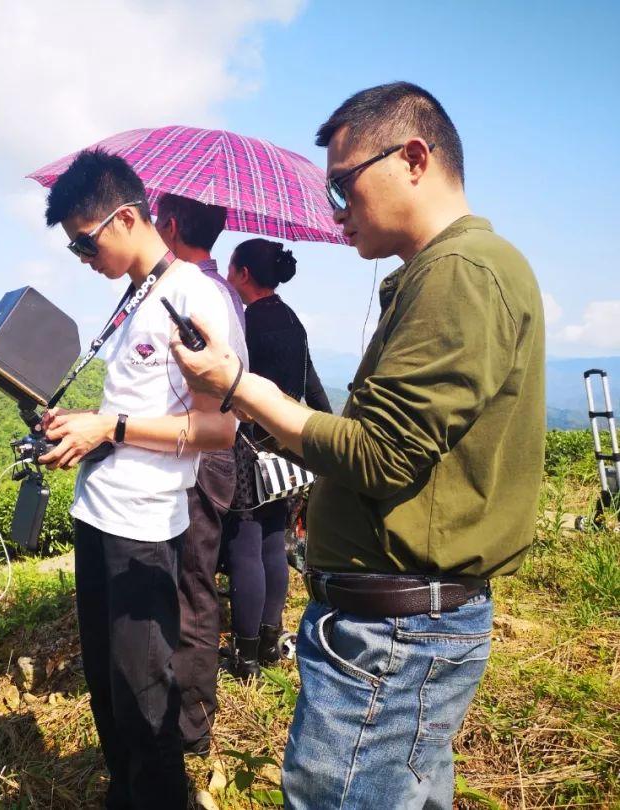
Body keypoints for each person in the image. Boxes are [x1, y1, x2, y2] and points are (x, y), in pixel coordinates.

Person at [169, 81, 545, 808]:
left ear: (412, 157)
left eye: (343, 186)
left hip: (395, 633)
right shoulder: (440, 275)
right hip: (402, 625)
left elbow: (381, 454)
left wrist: (241, 386)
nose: (334, 213)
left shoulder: (460, 275)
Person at [39, 149, 240, 810]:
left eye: (84, 243)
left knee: (145, 690)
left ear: (126, 217)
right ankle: (123, 791)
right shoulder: (136, 294)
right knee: (105, 680)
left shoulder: (194, 297)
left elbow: (220, 431)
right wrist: (85, 424)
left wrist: (112, 429)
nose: (83, 258)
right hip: (100, 513)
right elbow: (133, 404)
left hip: (146, 528)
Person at [155, 192, 248, 756]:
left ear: (168, 226)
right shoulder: (224, 292)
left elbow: (208, 399)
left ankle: (190, 727)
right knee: (192, 583)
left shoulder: (195, 295)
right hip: (208, 455)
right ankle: (183, 710)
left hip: (201, 452)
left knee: (191, 587)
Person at [221, 238, 330, 680]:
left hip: (248, 450)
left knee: (245, 545)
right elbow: (312, 381)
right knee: (272, 541)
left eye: (231, 268)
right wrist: (326, 439)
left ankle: (244, 656)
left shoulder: (244, 325)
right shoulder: (292, 320)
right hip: (286, 452)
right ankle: (268, 640)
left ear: (244, 274)